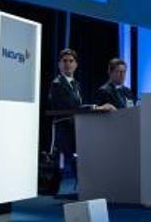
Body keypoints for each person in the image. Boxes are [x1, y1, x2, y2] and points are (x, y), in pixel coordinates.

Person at [47, 49, 113, 186]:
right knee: (74, 158)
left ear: (76, 65)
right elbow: (69, 107)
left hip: (77, 127)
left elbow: (79, 105)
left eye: (71, 61)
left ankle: (88, 185)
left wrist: (92, 108)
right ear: (59, 64)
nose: (68, 64)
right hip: (64, 129)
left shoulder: (76, 84)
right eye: (64, 61)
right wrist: (96, 107)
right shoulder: (57, 84)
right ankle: (83, 187)